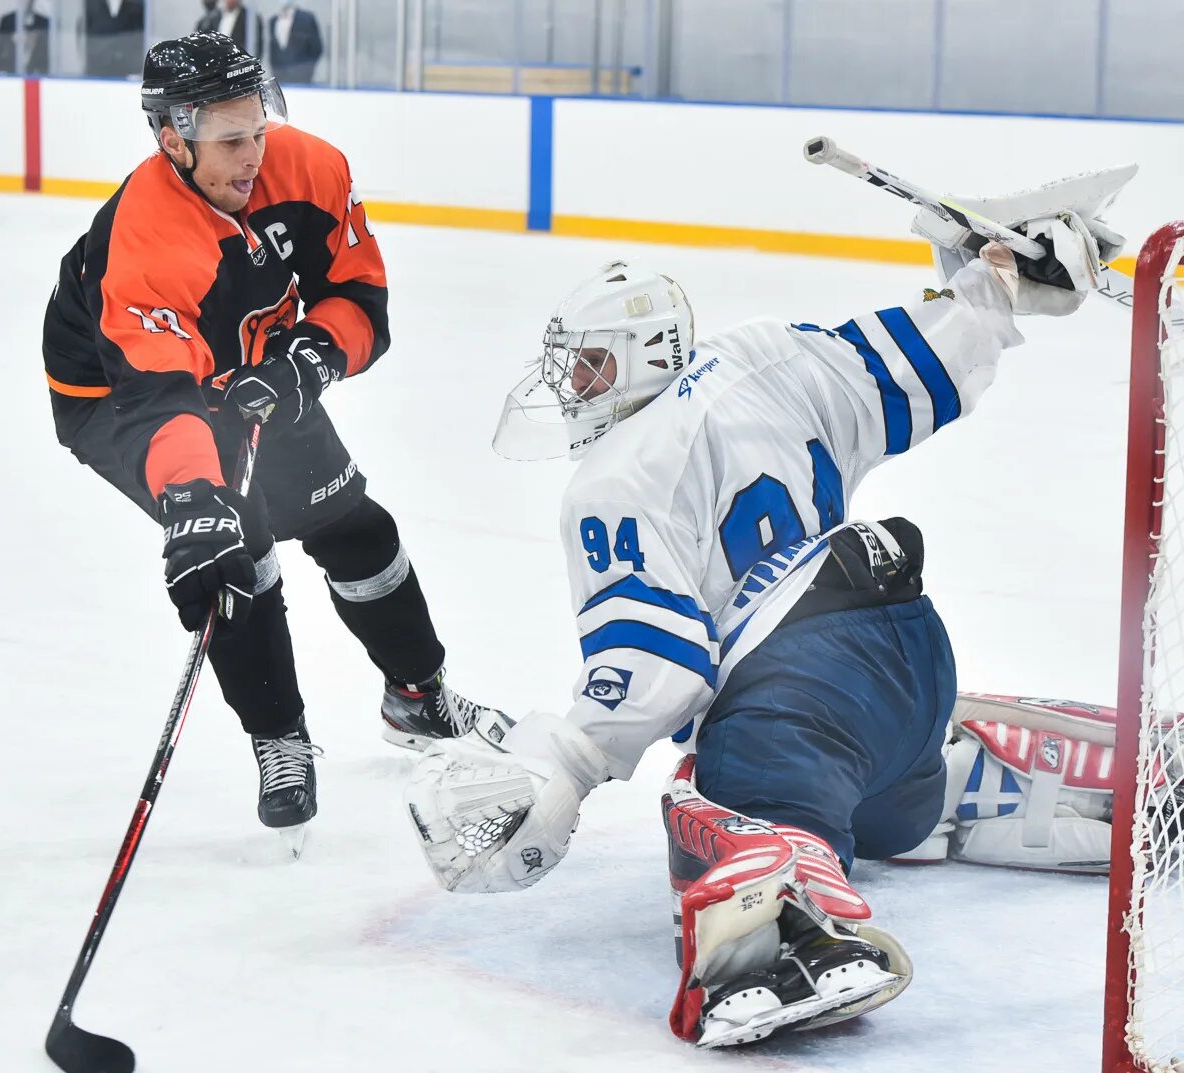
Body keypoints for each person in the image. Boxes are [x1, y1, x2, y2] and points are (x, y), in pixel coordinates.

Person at [403, 180, 1133, 1045]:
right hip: (910, 652)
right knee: (876, 808)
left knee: (718, 799)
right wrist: (995, 278)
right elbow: (928, 364)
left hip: (799, 691)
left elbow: (658, 662)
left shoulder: (611, 478)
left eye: (589, 363)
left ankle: (794, 924)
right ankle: (955, 784)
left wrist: (571, 755)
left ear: (645, 353)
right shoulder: (765, 354)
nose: (572, 387)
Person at [41, 32, 502, 838]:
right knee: (237, 551)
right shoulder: (145, 238)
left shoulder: (309, 167)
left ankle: (419, 695)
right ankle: (279, 735)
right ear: (170, 139)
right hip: (120, 396)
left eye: (258, 127)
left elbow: (360, 296)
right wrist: (193, 500)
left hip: (244, 366)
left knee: (354, 527)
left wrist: (311, 359)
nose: (253, 155)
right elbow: (161, 400)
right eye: (228, 140)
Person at [84, 0, 145, 78]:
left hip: (129, 70)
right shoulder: (91, 5)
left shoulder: (137, 6)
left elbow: (139, 39)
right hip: (98, 70)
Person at [268, 3, 323, 85]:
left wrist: (306, 69)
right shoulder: (273, 20)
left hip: (302, 75)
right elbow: (274, 49)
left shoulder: (307, 18)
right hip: (279, 75)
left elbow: (316, 47)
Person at [0, 1, 50, 75]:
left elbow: (47, 52)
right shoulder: (7, 21)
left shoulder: (43, 22)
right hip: (10, 73)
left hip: (36, 73)